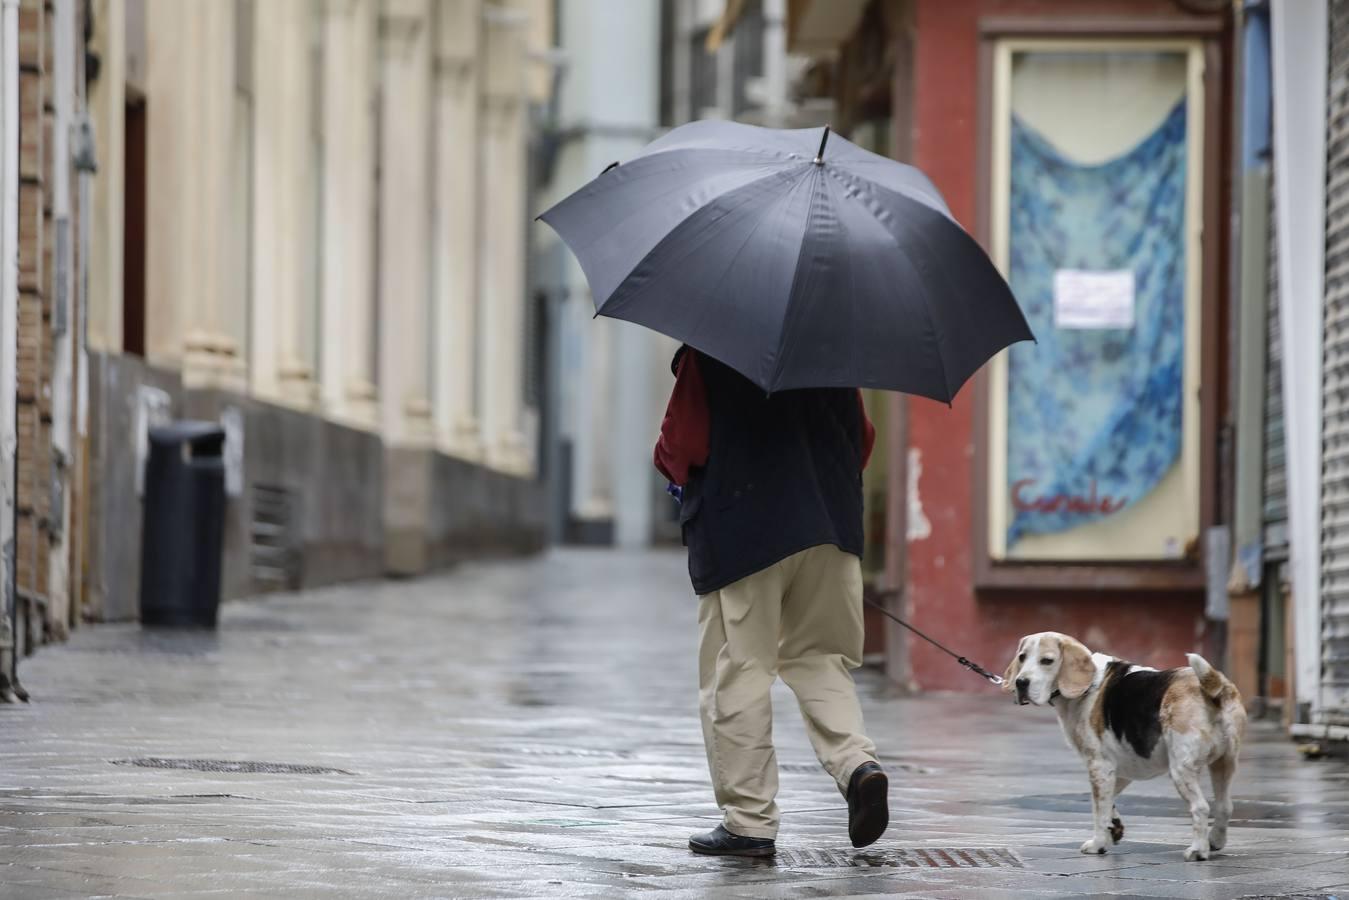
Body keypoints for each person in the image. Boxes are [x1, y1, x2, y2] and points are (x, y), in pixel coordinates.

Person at [654, 344, 888, 858]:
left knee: (739, 669)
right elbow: (862, 442)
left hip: (745, 533)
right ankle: (857, 767)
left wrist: (669, 463)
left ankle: (750, 821)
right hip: (830, 526)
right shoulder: (833, 347)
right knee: (821, 659)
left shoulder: (712, 345)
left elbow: (683, 443)